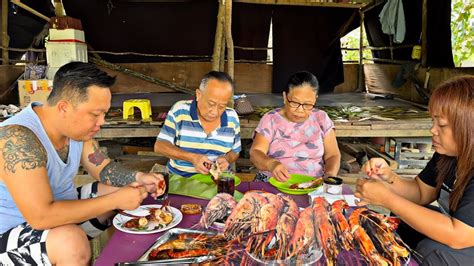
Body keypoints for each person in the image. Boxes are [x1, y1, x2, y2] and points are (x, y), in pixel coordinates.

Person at [0, 62, 166, 265]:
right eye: (95, 114)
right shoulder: (17, 138)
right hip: (11, 235)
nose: (102, 122)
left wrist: (140, 178)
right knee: (71, 242)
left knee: (121, 189)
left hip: (59, 214)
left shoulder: (75, 132)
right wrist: (115, 200)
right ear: (64, 108)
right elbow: (41, 217)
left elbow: (103, 168)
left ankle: (121, 257)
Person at [355, 76, 474, 265]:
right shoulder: (448, 155)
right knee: (402, 220)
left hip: (465, 238)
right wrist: (389, 178)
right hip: (461, 234)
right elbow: (420, 192)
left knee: (433, 252)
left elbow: (459, 235)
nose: (432, 130)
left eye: (441, 125)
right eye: (433, 122)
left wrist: (387, 198)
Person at [250, 71, 341, 182]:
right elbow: (255, 152)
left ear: (315, 99)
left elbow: (332, 155)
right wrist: (271, 164)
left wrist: (329, 175)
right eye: (294, 102)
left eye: (307, 104)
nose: (300, 110)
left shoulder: (321, 118)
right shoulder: (271, 119)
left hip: (312, 183)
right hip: (272, 181)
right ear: (285, 96)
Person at [154, 71, 241, 177]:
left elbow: (235, 151)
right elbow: (160, 146)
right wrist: (192, 157)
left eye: (222, 106)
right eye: (211, 104)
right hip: (181, 179)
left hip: (217, 181)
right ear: (198, 95)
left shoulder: (232, 118)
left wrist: (227, 159)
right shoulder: (180, 110)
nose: (214, 112)